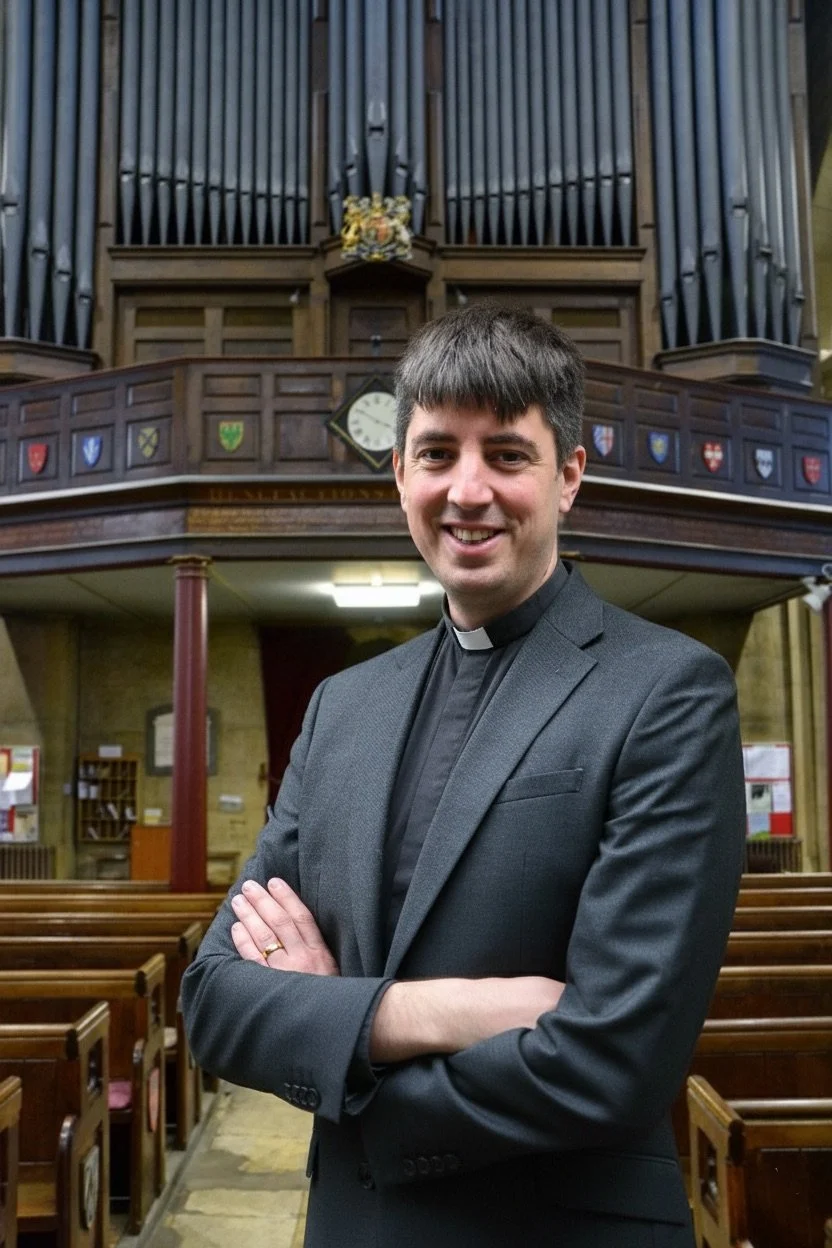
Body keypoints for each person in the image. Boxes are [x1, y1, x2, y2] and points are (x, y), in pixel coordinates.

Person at [182, 302, 746, 1248]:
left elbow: (615, 1060)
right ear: (399, 473)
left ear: (568, 475)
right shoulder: (342, 707)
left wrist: (333, 1037)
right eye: (438, 452)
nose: (467, 489)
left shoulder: (667, 693)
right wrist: (432, 1010)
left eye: (508, 455)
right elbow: (215, 1000)